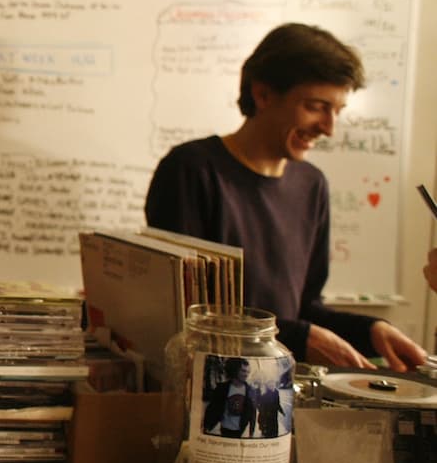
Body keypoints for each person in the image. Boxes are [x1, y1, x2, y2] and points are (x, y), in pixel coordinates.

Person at [145, 23, 428, 372]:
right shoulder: (191, 170)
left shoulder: (312, 185)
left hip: (279, 389)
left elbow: (305, 310)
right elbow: (188, 316)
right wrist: (300, 337)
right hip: (208, 387)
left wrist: (371, 331)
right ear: (263, 94)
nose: (329, 128)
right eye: (316, 106)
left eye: (337, 110)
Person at [201, 357, 256, 438]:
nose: (246, 374)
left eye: (248, 372)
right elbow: (212, 408)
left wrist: (251, 432)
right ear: (235, 370)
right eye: (243, 371)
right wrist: (206, 426)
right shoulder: (222, 388)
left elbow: (252, 413)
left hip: (241, 430)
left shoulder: (250, 390)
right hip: (225, 429)